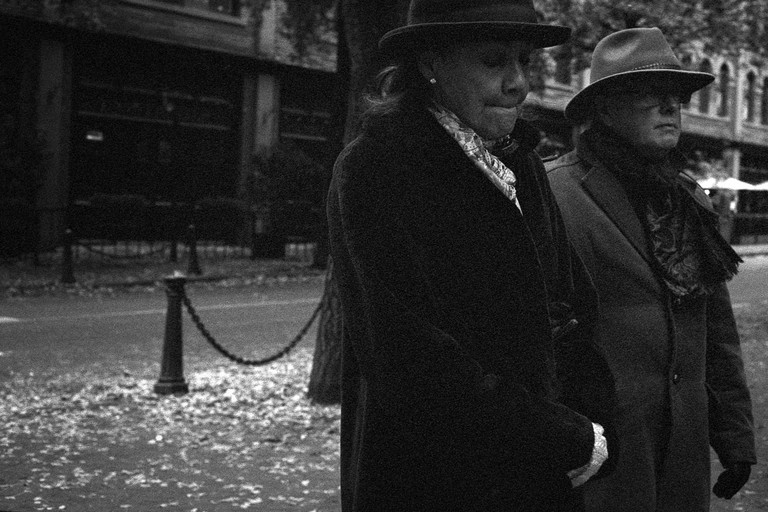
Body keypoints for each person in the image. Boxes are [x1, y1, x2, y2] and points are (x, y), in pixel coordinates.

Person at [326, 1, 618, 510]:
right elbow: (408, 357)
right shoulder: (378, 167)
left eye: (524, 61)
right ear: (430, 64)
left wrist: (592, 420)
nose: (518, 83)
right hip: (433, 478)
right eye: (493, 61)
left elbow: (573, 304)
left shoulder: (520, 162)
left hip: (540, 473)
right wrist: (560, 436)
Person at [546, 27, 756, 512]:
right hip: (603, 452)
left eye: (677, 95)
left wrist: (734, 435)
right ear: (604, 107)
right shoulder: (556, 194)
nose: (671, 106)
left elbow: (715, 327)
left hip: (682, 451)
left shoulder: (687, 198)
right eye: (650, 93)